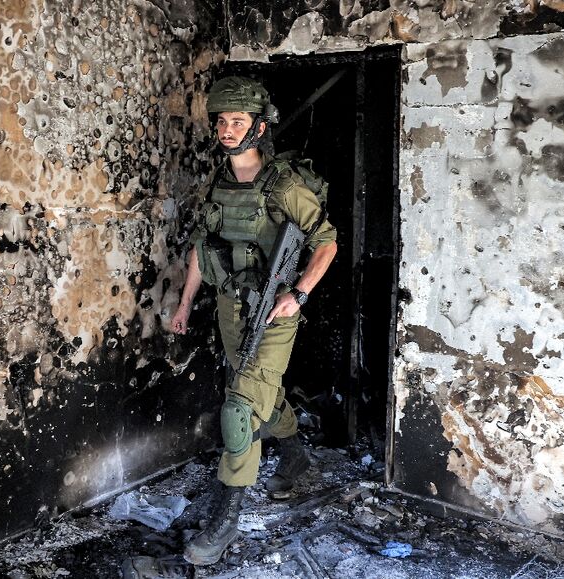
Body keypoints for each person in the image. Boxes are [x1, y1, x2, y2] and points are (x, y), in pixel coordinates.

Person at [170, 76, 338, 566]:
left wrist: (299, 295)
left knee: (240, 406)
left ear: (258, 127)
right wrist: (184, 305)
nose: (226, 130)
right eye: (221, 121)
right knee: (254, 386)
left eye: (236, 121)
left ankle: (227, 515)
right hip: (230, 306)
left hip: (275, 308)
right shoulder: (217, 183)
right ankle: (294, 451)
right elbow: (203, 250)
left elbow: (325, 241)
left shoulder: (284, 186)